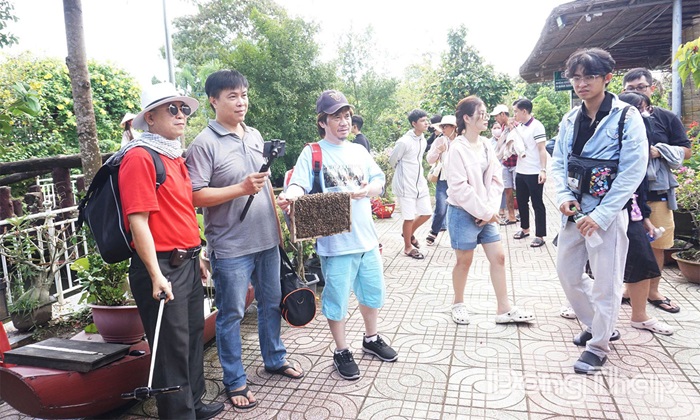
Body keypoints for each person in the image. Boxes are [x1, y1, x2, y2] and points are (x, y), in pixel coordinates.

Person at [185, 70, 303, 410]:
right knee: (232, 314)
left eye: (244, 95)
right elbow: (194, 196)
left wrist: (280, 221)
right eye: (232, 96)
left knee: (271, 304)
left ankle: (274, 358)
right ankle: (235, 380)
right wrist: (240, 188)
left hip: (266, 239)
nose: (241, 102)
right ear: (213, 101)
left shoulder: (254, 134)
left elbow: (263, 184)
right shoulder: (203, 144)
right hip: (231, 247)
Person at [116, 82, 224, 419]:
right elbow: (138, 221)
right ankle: (179, 415)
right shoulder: (139, 157)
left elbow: (181, 211)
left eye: (184, 109)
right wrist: (155, 274)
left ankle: (194, 404)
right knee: (170, 349)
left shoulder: (173, 156)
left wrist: (196, 253)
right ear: (149, 117)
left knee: (191, 338)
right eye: (172, 109)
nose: (181, 115)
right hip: (162, 266)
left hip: (185, 262)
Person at [278, 89, 397, 381]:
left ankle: (371, 338)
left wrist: (368, 190)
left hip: (367, 239)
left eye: (346, 116)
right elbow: (299, 185)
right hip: (336, 242)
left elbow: (378, 180)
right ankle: (341, 350)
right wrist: (290, 196)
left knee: (372, 294)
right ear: (323, 122)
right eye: (336, 117)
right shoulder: (313, 152)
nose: (343, 122)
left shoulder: (359, 151)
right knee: (337, 300)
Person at [552, 48, 648, 374]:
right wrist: (563, 196)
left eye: (590, 76)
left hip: (606, 214)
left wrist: (602, 214)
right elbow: (559, 163)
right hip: (575, 212)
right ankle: (597, 324)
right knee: (567, 273)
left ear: (607, 78)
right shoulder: (570, 119)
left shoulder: (626, 117)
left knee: (607, 282)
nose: (582, 83)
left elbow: (632, 171)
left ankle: (599, 345)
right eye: (576, 77)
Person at [444, 95, 534, 326]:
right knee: (464, 261)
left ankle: (504, 309)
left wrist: (490, 210)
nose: (486, 118)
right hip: (462, 212)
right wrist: (484, 213)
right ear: (467, 118)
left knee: (499, 257)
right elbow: (459, 188)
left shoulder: (485, 144)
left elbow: (496, 178)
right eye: (481, 114)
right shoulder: (457, 148)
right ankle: (458, 303)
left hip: (486, 212)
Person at [622, 68, 692, 314]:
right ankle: (629, 290)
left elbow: (686, 151)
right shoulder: (616, 117)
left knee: (657, 243)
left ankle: (653, 290)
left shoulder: (666, 117)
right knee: (626, 242)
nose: (637, 92)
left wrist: (660, 150)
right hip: (626, 192)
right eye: (631, 89)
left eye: (641, 87)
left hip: (656, 190)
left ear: (652, 88)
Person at [616, 91, 674, 335]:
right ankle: (582, 308)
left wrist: (645, 215)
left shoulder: (643, 132)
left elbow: (639, 181)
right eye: (639, 109)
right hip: (599, 207)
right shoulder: (609, 130)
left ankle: (639, 316)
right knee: (589, 262)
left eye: (644, 109)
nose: (645, 114)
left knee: (640, 258)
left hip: (632, 208)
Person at [390, 109, 432, 259]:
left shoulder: (423, 140)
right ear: (414, 123)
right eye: (422, 121)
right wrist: (403, 175)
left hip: (420, 183)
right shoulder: (404, 141)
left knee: (427, 213)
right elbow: (392, 160)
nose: (426, 123)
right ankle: (408, 247)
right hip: (405, 185)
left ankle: (408, 234)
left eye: (426, 120)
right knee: (408, 217)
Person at [510, 99, 548, 247]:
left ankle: (540, 235)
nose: (514, 114)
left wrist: (543, 170)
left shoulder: (537, 126)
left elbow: (542, 149)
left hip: (534, 171)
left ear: (524, 111)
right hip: (521, 170)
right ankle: (525, 229)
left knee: (537, 203)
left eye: (516, 111)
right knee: (521, 201)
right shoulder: (519, 127)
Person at [425, 115, 457, 246]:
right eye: (442, 126)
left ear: (454, 127)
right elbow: (429, 160)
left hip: (459, 180)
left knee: (459, 209)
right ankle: (434, 231)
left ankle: (458, 236)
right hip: (443, 179)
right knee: (441, 208)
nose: (443, 129)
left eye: (446, 126)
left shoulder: (462, 141)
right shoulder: (439, 141)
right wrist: (438, 150)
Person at [491, 104, 519, 225]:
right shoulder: (503, 128)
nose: (496, 119)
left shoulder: (515, 125)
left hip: (517, 162)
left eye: (496, 116)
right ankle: (511, 216)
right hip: (506, 162)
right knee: (507, 189)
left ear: (503, 114)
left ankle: (522, 214)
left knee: (519, 190)